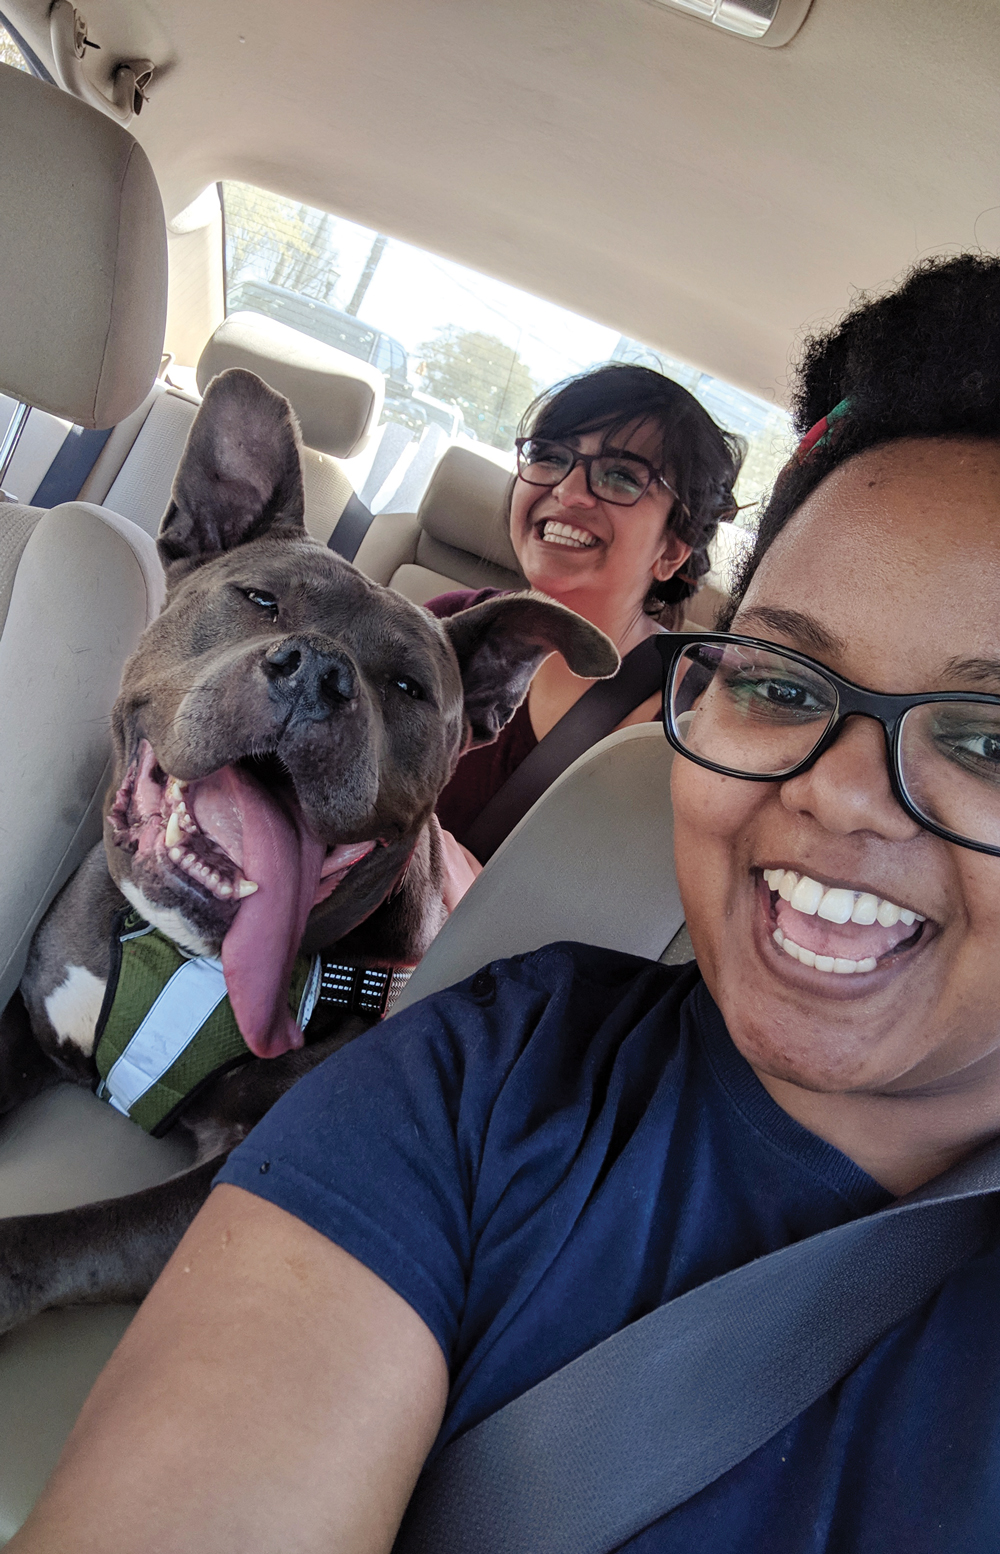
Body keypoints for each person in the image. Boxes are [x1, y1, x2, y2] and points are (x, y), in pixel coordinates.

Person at [12, 252, 1000, 1553]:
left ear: (685, 547)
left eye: (990, 738)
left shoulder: (607, 765)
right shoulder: (477, 1073)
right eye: (782, 682)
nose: (843, 797)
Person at [428, 364, 743, 853]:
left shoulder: (697, 721)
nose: (568, 492)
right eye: (550, 456)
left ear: (672, 549)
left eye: (620, 476)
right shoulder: (444, 627)